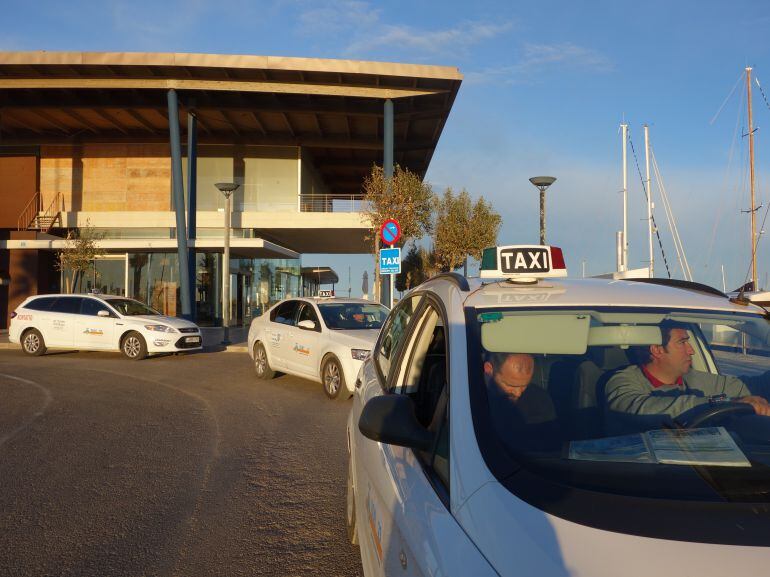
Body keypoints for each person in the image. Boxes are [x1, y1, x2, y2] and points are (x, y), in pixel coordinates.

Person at [605, 322, 770, 422]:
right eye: (682, 342)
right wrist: (724, 402)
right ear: (657, 350)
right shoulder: (621, 382)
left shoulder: (693, 378)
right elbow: (644, 408)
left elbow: (749, 386)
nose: (691, 350)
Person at [484, 352, 561, 450]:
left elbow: (549, 445)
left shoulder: (539, 400)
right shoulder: (466, 400)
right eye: (511, 385)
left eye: (525, 385)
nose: (518, 393)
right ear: (488, 370)